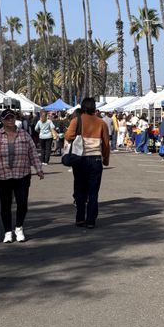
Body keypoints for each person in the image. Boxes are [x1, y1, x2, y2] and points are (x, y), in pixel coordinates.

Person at [0, 109, 44, 243]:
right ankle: (7, 231)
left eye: (12, 117)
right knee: (5, 204)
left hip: (21, 173)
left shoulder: (24, 135)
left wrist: (38, 169)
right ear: (2, 120)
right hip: (2, 175)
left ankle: (19, 227)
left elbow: (32, 153)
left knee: (22, 203)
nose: (10, 120)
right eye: (7, 118)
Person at [65, 96, 110, 228]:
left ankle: (80, 218)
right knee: (93, 192)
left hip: (80, 159)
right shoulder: (101, 123)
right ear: (94, 108)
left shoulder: (76, 120)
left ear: (82, 107)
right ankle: (91, 220)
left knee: (79, 189)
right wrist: (106, 160)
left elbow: (68, 136)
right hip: (95, 160)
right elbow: (106, 144)